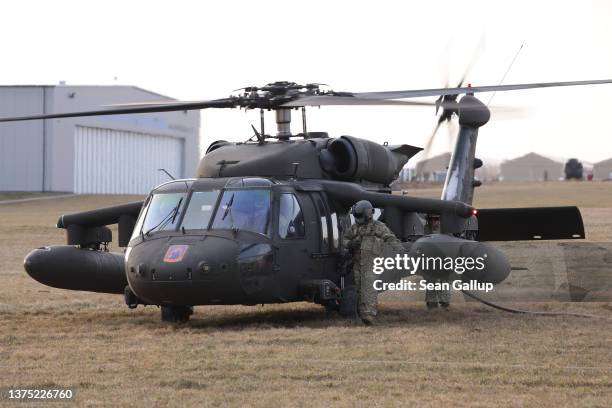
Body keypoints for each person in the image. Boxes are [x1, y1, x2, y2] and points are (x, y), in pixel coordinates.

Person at [342, 200, 401, 325]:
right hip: (357, 263)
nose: (357, 218)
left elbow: (390, 238)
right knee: (358, 288)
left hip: (371, 264)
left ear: (368, 214)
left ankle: (368, 315)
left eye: (359, 215)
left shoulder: (378, 227)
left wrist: (400, 250)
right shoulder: (354, 229)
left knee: (369, 289)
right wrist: (351, 244)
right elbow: (345, 240)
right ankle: (359, 313)